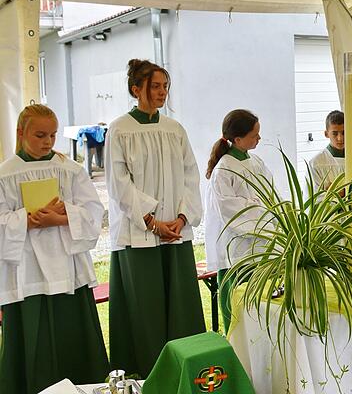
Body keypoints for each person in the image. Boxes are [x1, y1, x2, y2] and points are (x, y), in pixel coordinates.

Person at [0, 104, 109, 394]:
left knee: (73, 338)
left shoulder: (69, 170)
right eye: (39, 135)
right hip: (26, 274)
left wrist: (60, 217)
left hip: (68, 270)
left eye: (52, 135)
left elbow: (94, 212)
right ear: (21, 132)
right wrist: (28, 220)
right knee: (33, 344)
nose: (48, 142)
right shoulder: (5, 173)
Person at [105, 59, 205, 377]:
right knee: (144, 310)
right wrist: (150, 222)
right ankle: (147, 373)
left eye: (165, 86)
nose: (162, 92)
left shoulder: (174, 129)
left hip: (174, 233)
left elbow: (191, 175)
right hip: (139, 236)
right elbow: (118, 183)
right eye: (156, 86)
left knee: (181, 308)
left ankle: (184, 370)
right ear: (136, 89)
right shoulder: (120, 129)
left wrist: (181, 216)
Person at [204, 109, 273, 333]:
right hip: (237, 250)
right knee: (239, 306)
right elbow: (231, 212)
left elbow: (270, 194)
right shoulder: (224, 170)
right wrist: (261, 213)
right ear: (238, 139)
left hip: (261, 245)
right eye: (255, 135)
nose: (259, 138)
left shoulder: (257, 162)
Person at [308, 110, 345, 191]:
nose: (340, 138)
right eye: (335, 133)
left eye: (343, 133)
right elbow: (314, 198)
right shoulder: (316, 162)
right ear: (326, 134)